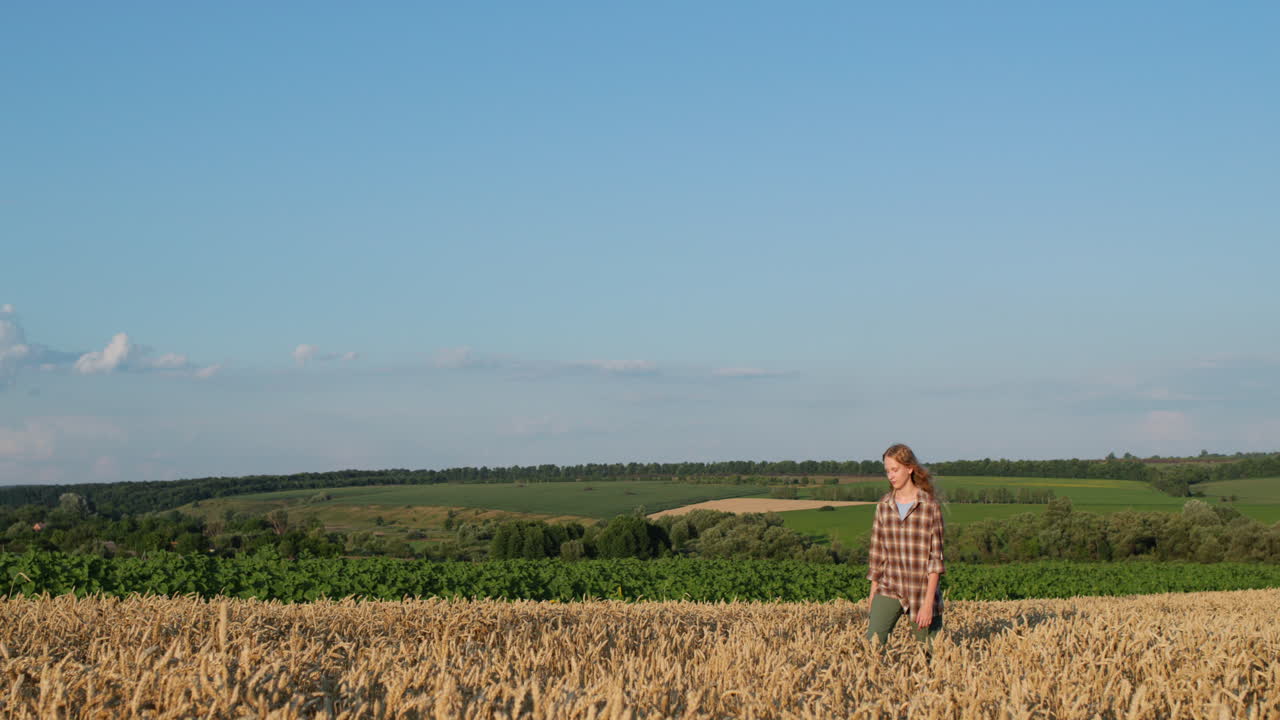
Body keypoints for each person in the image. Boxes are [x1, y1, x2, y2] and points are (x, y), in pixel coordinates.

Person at [866, 443, 945, 647]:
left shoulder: (929, 507)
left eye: (895, 470)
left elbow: (935, 560)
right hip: (889, 586)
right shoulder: (883, 506)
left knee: (931, 655)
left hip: (921, 591)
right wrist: (873, 593)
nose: (890, 476)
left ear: (909, 468)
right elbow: (877, 554)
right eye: (887, 471)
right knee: (872, 647)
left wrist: (929, 604)